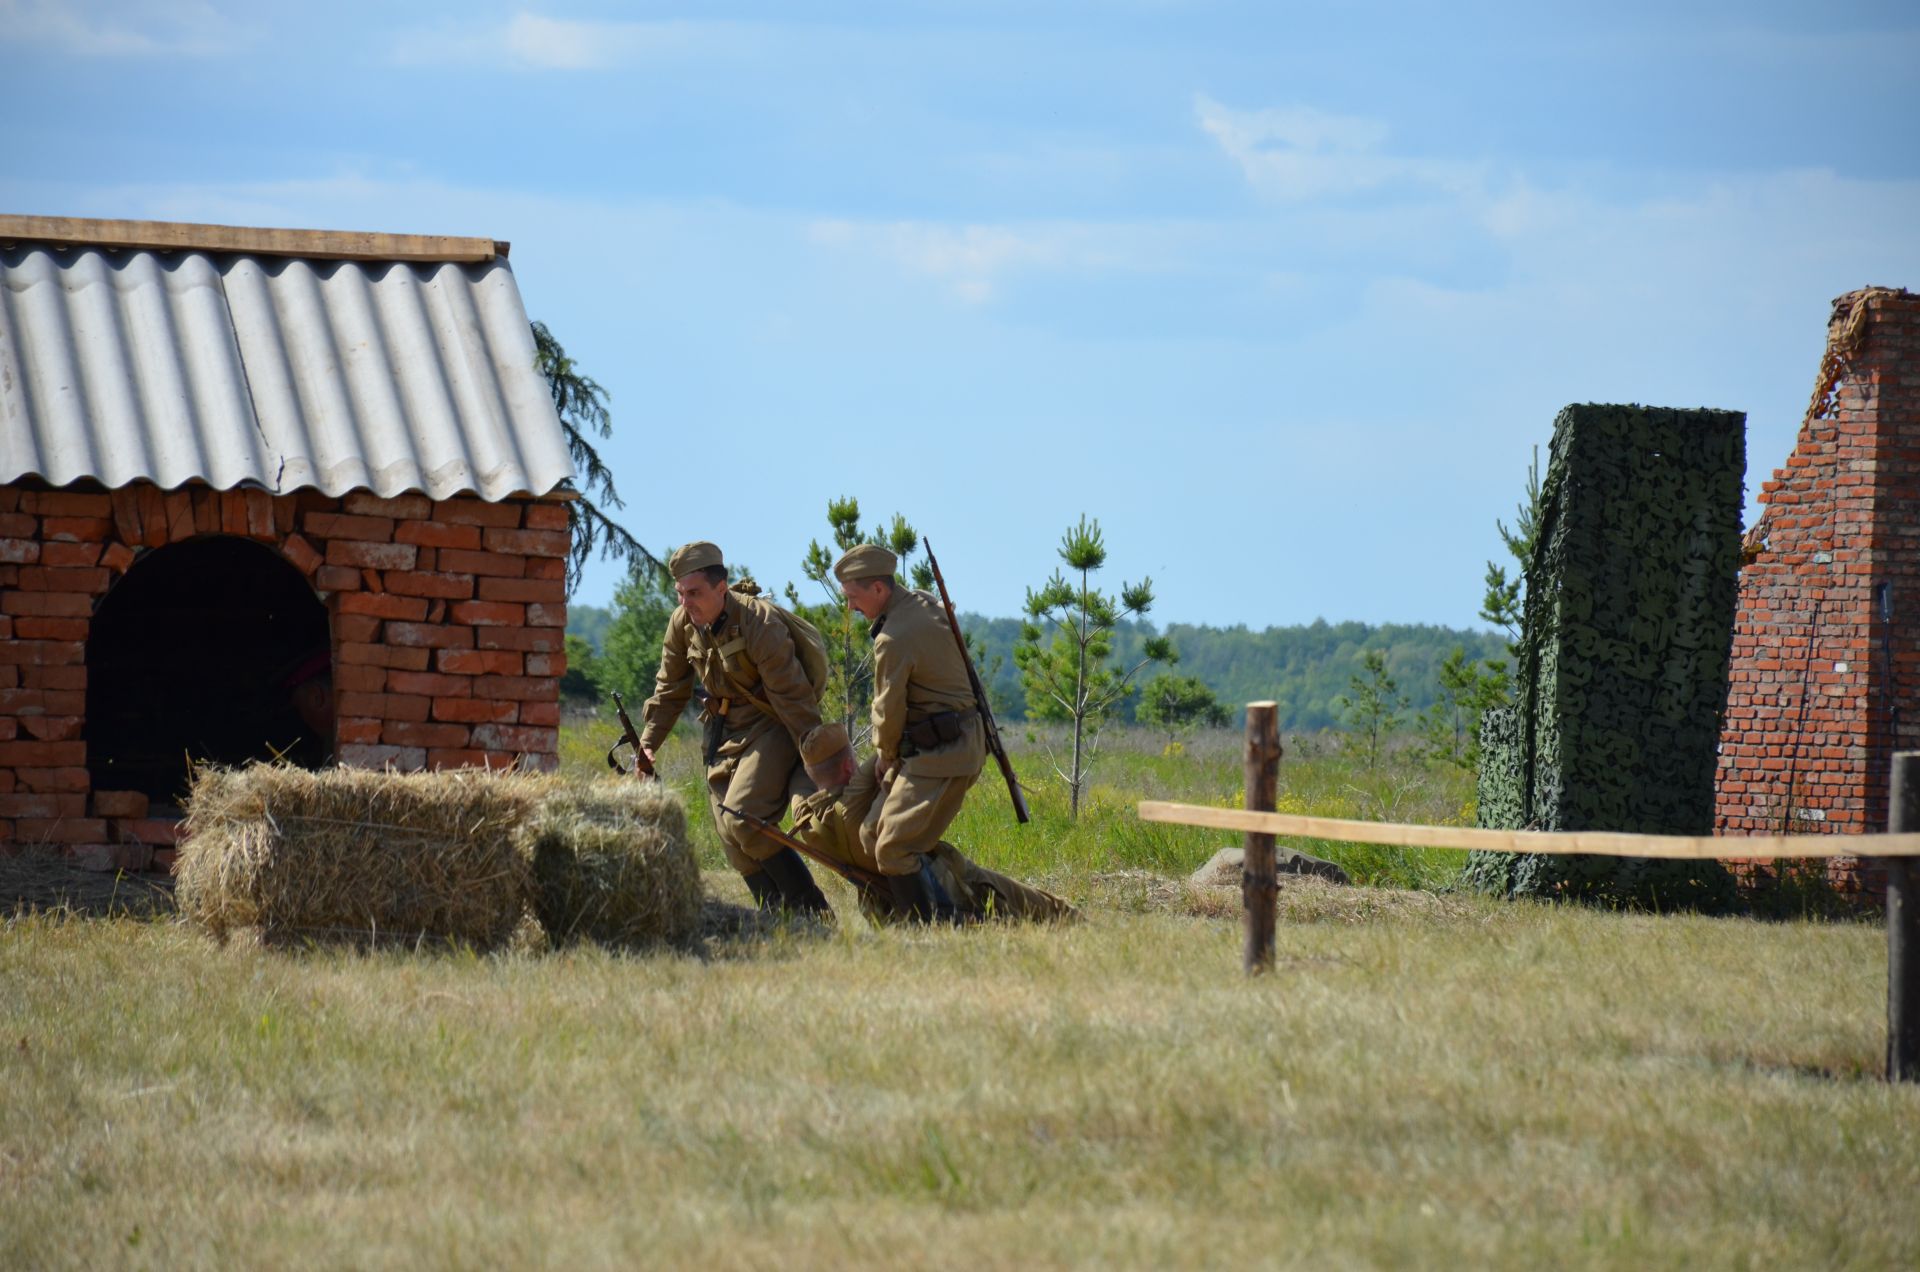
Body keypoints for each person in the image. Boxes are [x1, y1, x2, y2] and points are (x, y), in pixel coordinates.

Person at [638, 541, 838, 917]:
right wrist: (647, 745)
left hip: (772, 726)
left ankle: (812, 913)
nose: (686, 603)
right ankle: (778, 922)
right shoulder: (683, 624)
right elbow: (669, 691)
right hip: (722, 734)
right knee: (732, 842)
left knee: (743, 818)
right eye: (680, 594)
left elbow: (794, 700)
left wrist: (819, 760)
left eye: (694, 593)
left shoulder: (759, 623)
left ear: (721, 587)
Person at [783, 722, 1077, 925]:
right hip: (942, 879)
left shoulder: (809, 825)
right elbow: (890, 748)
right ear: (849, 765)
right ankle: (1073, 919)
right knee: (1029, 905)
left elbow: (801, 789)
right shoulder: (854, 802)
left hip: (891, 901)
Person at [833, 542, 986, 921]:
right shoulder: (921, 601)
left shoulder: (894, 638)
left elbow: (887, 709)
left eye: (854, 597)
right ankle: (914, 914)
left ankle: (935, 923)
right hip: (931, 746)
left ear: (879, 590)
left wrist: (886, 757)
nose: (851, 607)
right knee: (872, 836)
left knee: (894, 849)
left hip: (947, 752)